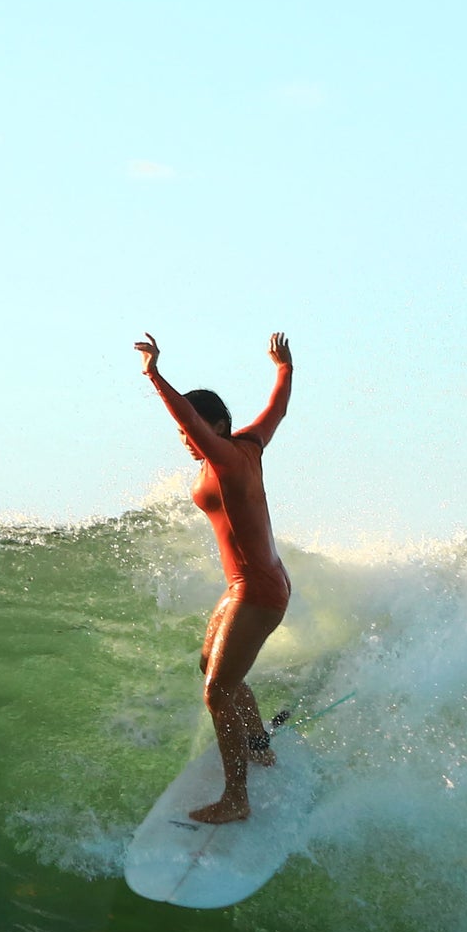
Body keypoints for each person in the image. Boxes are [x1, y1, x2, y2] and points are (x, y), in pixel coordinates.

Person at [134, 330, 294, 824]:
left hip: (257, 590)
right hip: (250, 584)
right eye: (184, 437)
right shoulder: (250, 443)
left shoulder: (224, 458)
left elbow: (187, 415)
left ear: (218, 426)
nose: (187, 441)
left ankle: (236, 799)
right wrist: (283, 368)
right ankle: (258, 745)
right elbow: (277, 408)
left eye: (194, 432)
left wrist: (154, 375)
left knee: (217, 693)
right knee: (213, 667)